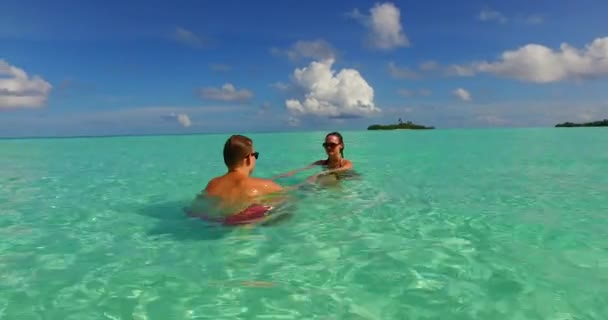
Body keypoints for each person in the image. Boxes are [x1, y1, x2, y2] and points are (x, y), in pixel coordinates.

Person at [188, 134, 285, 220]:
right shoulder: (265, 186)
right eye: (255, 155)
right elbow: (287, 204)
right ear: (248, 159)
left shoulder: (212, 184)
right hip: (245, 228)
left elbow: (195, 210)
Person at [272, 131, 353, 182]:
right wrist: (287, 174)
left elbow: (344, 169)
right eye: (326, 145)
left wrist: (319, 174)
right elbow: (303, 169)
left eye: (332, 145)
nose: (328, 147)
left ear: (341, 145)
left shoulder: (346, 163)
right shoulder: (321, 163)